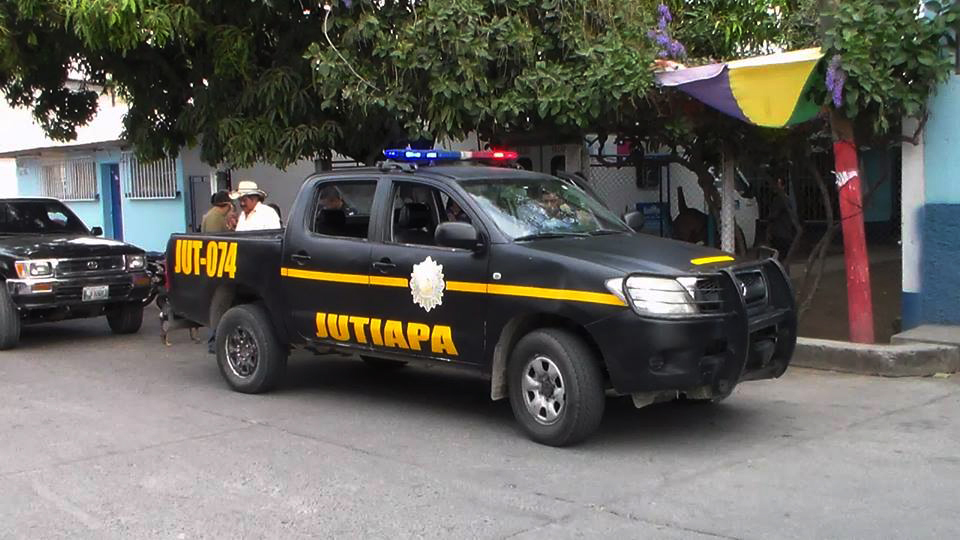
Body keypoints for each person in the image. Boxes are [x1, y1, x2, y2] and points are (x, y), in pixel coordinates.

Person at [766, 176, 797, 264]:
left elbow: (773, 216)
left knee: (778, 259)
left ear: (783, 186)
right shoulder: (785, 198)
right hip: (783, 233)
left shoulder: (780, 199)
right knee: (782, 259)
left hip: (780, 234)